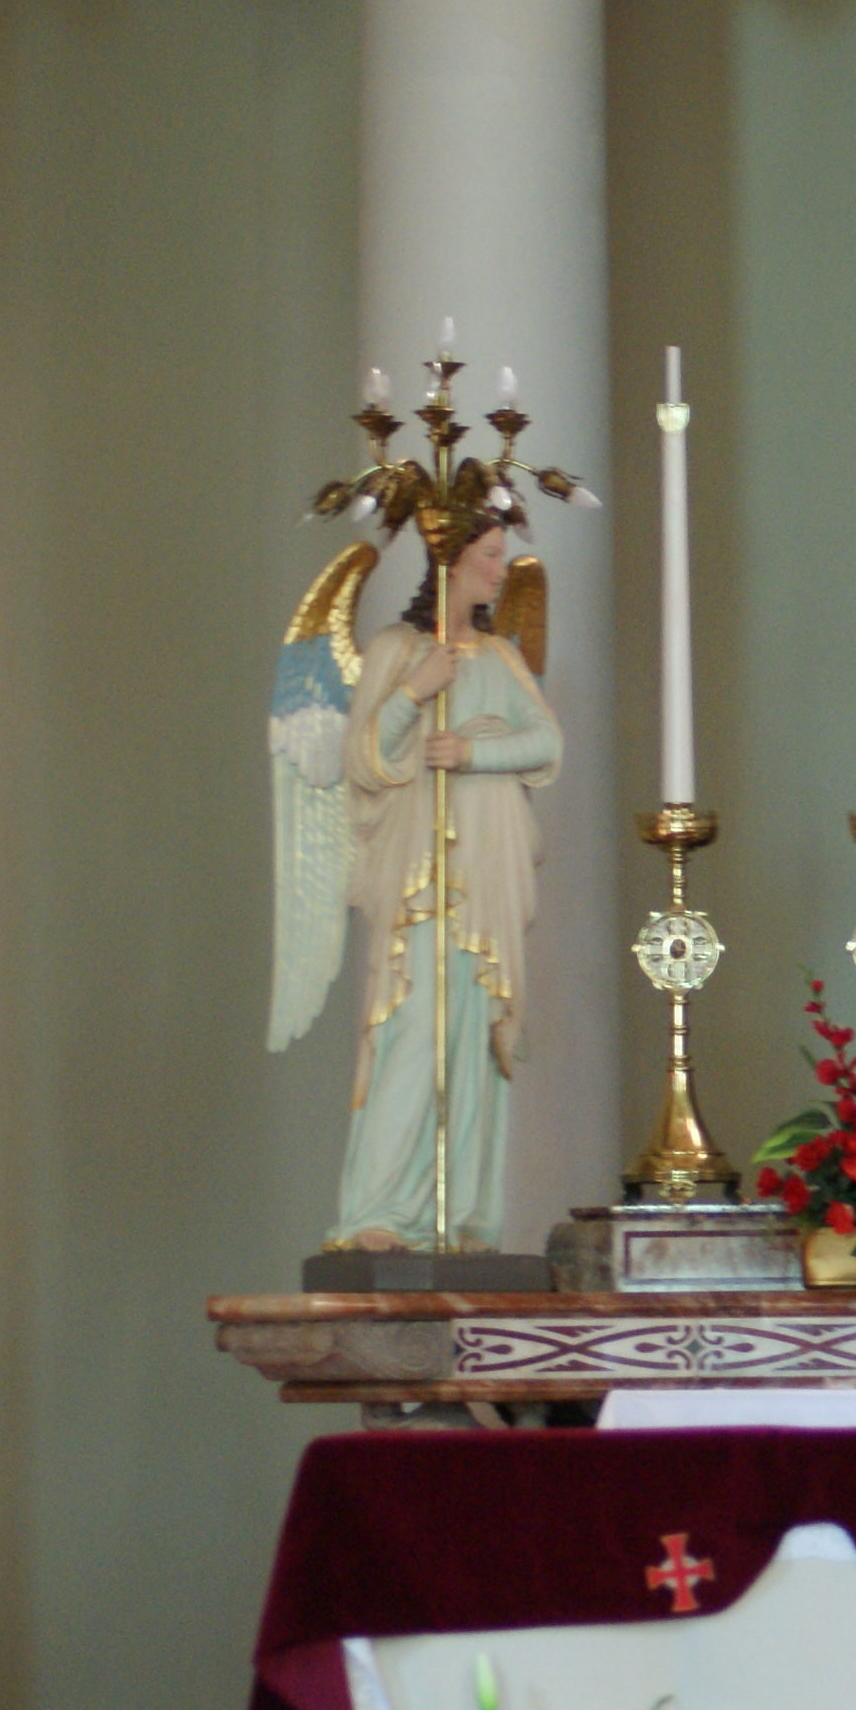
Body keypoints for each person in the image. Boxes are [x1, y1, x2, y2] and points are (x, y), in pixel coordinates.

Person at [327, 516, 560, 1250]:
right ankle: (377, 1211)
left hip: (484, 878)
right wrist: (414, 691)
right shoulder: (397, 650)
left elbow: (547, 743)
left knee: (470, 1037)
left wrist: (471, 752)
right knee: (413, 1029)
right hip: (420, 882)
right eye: (489, 555)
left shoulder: (498, 656)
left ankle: (457, 1215)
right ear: (451, 561)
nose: (500, 570)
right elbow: (364, 759)